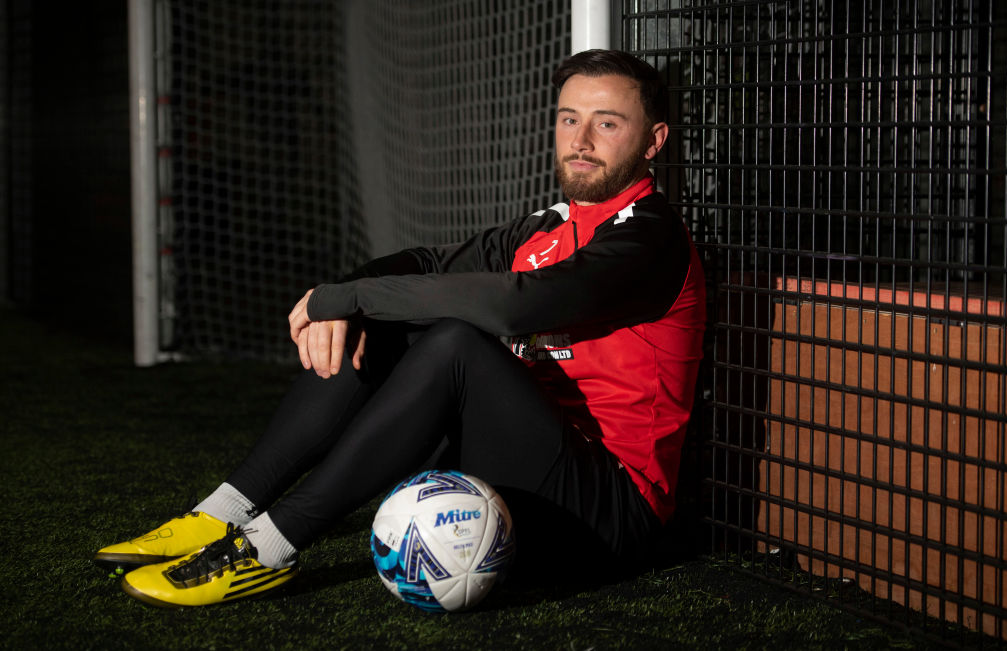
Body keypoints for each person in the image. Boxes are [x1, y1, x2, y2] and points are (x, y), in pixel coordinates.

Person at [94, 49, 706, 608]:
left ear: (652, 142)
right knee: (383, 326)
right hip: (527, 477)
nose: (580, 139)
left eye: (606, 122)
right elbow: (430, 263)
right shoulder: (545, 226)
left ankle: (268, 548)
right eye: (569, 119)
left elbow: (522, 307)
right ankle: (223, 510)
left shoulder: (652, 234)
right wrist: (346, 302)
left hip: (609, 515)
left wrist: (352, 294)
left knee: (456, 344)